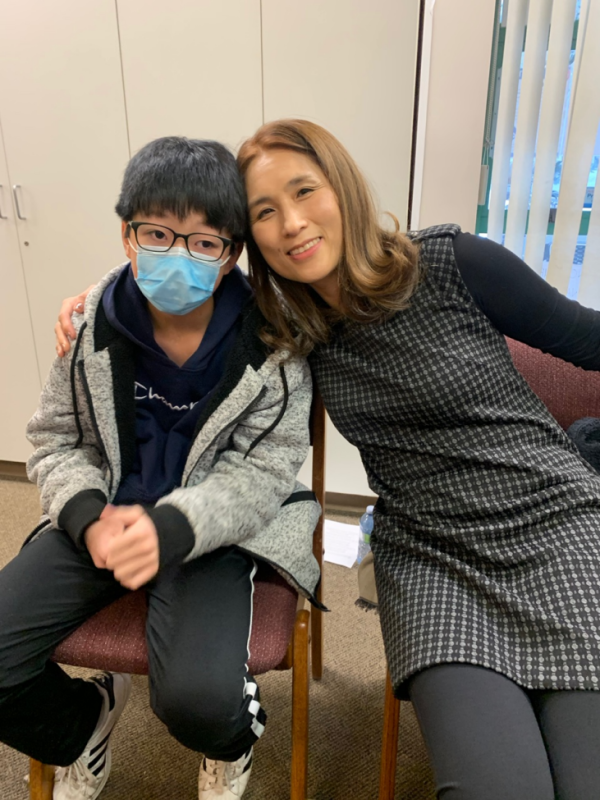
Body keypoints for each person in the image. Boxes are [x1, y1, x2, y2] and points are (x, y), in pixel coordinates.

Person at [55, 120, 600, 799]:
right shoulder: (286, 326)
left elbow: (589, 340)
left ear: (342, 187)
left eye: (304, 190)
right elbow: (181, 280)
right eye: (264, 212)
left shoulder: (452, 264)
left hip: (557, 526)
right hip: (433, 556)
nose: (291, 223)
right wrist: (96, 302)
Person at [3, 135, 320, 800]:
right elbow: (55, 440)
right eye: (157, 234)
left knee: (199, 703)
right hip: (103, 517)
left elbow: (264, 472)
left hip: (208, 535)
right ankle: (83, 725)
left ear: (232, 253)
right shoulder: (89, 326)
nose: (178, 256)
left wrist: (174, 527)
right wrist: (87, 517)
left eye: (204, 242)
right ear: (127, 234)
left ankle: (232, 747)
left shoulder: (273, 343)